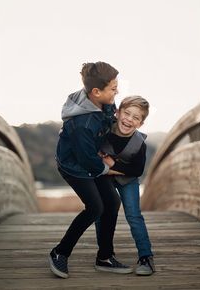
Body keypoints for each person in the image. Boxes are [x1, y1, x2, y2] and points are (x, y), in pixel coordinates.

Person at [49, 62, 133, 278]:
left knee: (112, 202)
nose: (117, 92)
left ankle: (104, 257)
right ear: (96, 92)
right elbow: (86, 160)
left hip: (92, 158)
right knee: (95, 207)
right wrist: (107, 169)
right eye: (113, 89)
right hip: (74, 166)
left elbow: (105, 128)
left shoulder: (102, 101)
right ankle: (60, 252)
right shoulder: (82, 123)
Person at [96, 96, 155, 276]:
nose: (129, 119)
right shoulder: (104, 129)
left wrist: (113, 165)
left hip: (128, 180)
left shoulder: (139, 144)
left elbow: (137, 170)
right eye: (127, 113)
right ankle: (105, 254)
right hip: (104, 177)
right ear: (118, 112)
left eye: (136, 117)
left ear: (141, 123)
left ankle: (146, 256)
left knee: (134, 215)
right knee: (103, 211)